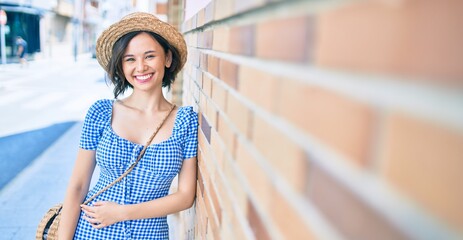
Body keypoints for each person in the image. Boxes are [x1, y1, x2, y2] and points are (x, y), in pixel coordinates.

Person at [58, 12, 198, 239]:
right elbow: (78, 186)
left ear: (168, 58)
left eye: (150, 56)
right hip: (92, 231)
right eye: (130, 59)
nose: (140, 67)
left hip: (150, 234)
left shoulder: (185, 121)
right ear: (121, 66)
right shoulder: (102, 112)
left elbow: (185, 196)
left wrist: (122, 213)